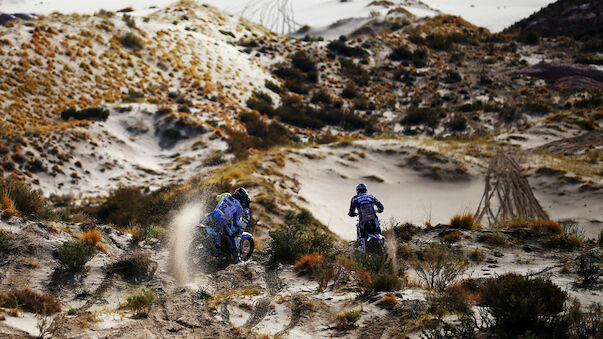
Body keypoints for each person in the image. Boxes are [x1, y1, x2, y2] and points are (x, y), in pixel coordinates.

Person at [200, 187, 251, 263]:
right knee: (230, 238)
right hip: (220, 224)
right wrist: (240, 223)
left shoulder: (226, 196)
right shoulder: (239, 207)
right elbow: (236, 222)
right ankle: (237, 260)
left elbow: (217, 198)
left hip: (210, 217)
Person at [348, 183, 383, 252]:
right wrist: (380, 210)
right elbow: (381, 206)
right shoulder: (371, 196)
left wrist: (352, 214)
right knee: (377, 227)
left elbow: (351, 211)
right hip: (373, 217)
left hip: (363, 219)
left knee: (360, 228)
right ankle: (381, 240)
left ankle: (362, 246)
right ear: (366, 190)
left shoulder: (354, 199)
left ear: (357, 191)